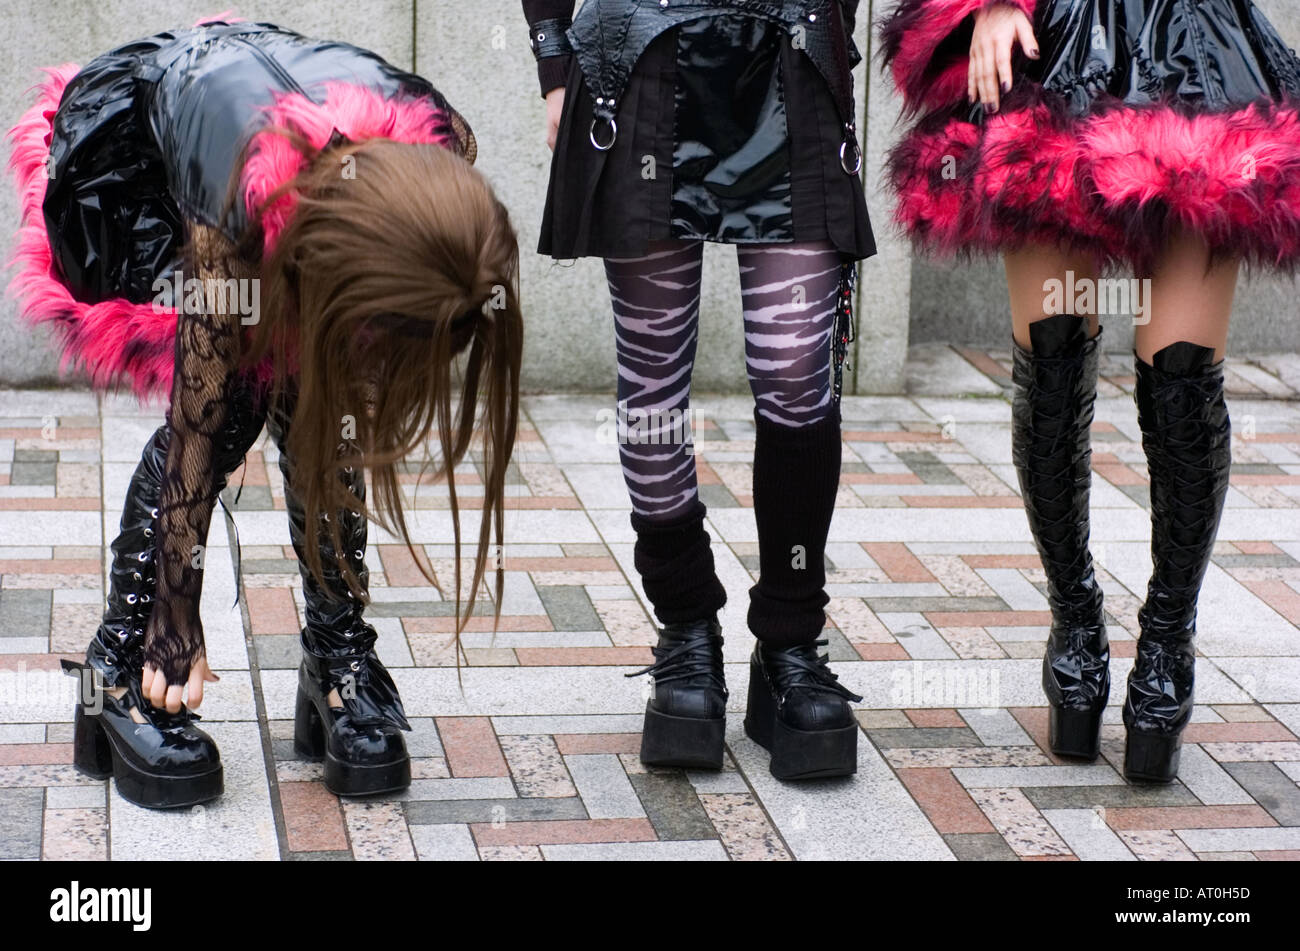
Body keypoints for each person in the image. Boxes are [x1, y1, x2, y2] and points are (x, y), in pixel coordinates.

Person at [7, 16, 522, 807]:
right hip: (141, 154)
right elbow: (195, 427)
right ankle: (114, 670)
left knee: (326, 401)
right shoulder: (239, 200)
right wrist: (176, 623)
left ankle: (336, 651)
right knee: (231, 410)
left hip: (292, 149)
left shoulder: (442, 144)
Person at [879, 0, 1300, 781]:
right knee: (1052, 359)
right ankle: (1074, 622)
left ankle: (1168, 643)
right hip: (1052, 38)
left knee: (1182, 375)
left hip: (1200, 48)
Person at [522, 0, 873, 780]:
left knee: (796, 373)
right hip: (639, 58)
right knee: (653, 382)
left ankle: (788, 640)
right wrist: (554, 60)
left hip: (795, 51)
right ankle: (686, 629)